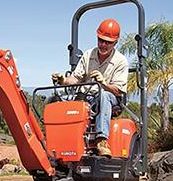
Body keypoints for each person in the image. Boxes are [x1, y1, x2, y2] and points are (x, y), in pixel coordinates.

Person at [51, 18, 128, 157]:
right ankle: (59, 142)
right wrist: (64, 80)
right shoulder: (88, 55)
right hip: (87, 97)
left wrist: (103, 83)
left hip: (110, 98)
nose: (103, 44)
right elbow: (76, 78)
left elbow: (119, 90)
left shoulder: (120, 61)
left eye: (108, 42)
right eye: (100, 40)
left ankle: (101, 140)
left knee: (103, 95)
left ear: (115, 43)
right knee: (57, 101)